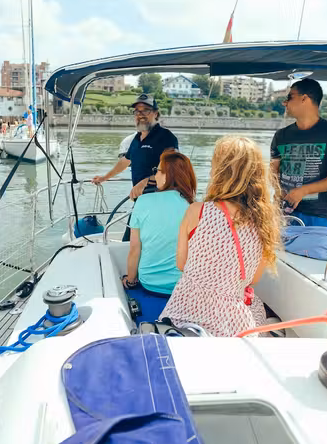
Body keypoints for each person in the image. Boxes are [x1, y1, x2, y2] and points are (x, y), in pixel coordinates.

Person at [160, 136, 281, 336]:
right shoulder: (265, 222)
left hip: (187, 311)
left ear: (219, 171)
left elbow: (181, 264)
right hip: (235, 320)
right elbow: (253, 278)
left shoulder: (196, 211)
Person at [123, 150, 197, 323]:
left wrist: (130, 280)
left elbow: (135, 249)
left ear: (168, 175)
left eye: (158, 170)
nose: (155, 174)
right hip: (181, 287)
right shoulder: (194, 207)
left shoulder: (143, 201)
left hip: (149, 283)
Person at [92, 93, 179, 240]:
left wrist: (146, 181)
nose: (140, 115)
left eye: (145, 110)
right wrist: (104, 178)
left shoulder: (166, 137)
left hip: (160, 202)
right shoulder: (136, 139)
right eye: (137, 111)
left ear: (155, 113)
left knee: (138, 243)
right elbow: (125, 162)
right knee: (130, 242)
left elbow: (173, 169)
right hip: (141, 202)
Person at [271, 78, 327, 226]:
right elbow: (273, 172)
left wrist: (304, 191)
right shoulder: (281, 135)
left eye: (289, 97)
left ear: (304, 98)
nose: (285, 103)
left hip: (317, 215)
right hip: (281, 211)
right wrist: (279, 192)